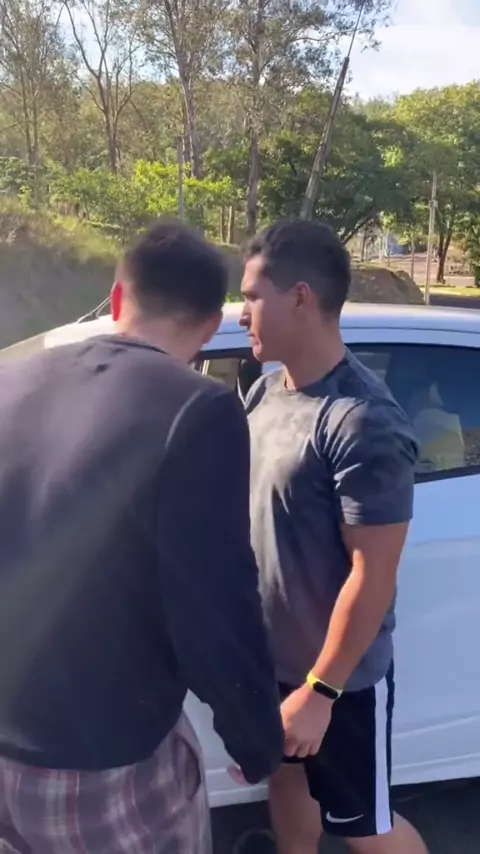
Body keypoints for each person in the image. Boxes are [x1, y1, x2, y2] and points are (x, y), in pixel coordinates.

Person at [0, 220, 283, 854]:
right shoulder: (198, 411)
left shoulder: (12, 380)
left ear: (118, 297)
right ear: (211, 327)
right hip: (100, 763)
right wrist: (255, 737)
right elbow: (213, 602)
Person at [239, 219, 429, 854]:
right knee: (289, 797)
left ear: (300, 297)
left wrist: (320, 692)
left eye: (252, 296)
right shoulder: (266, 392)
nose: (242, 313)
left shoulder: (361, 420)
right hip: (276, 667)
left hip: (338, 683)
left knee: (366, 831)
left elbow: (373, 576)